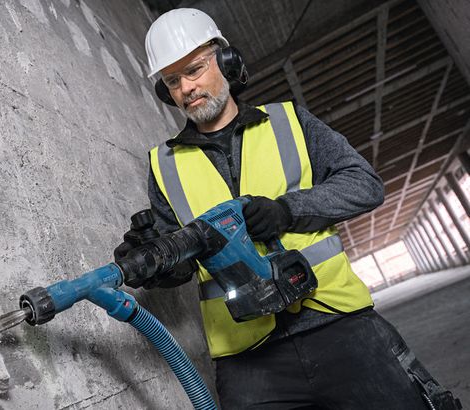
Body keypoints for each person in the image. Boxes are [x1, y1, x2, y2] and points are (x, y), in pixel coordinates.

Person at [114, 8, 461, 410]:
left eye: (194, 70)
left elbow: (365, 185)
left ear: (226, 62)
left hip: (337, 322)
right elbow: (183, 262)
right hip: (248, 358)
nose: (186, 88)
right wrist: (153, 262)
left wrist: (287, 210)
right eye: (173, 81)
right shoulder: (164, 165)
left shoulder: (289, 121)